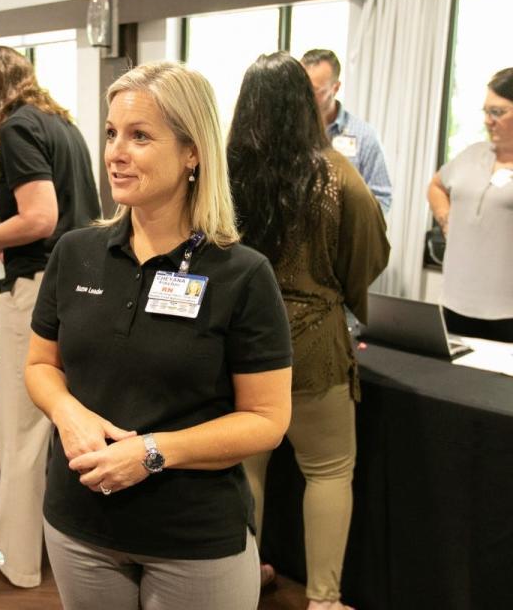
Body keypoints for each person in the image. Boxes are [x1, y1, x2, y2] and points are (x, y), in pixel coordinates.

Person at [25, 61, 293, 610]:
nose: (115, 153)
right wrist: (66, 412)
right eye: (111, 134)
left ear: (192, 152)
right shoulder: (76, 253)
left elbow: (267, 420)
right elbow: (40, 365)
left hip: (193, 541)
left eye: (140, 136)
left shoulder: (241, 274)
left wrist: (151, 453)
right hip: (80, 528)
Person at [228, 52, 390, 610]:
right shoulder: (337, 175)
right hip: (314, 344)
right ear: (306, 104)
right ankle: (324, 600)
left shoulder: (224, 176)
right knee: (328, 471)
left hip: (240, 343)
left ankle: (241, 580)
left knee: (244, 465)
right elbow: (367, 257)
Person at [0, 45, 101, 588]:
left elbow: (40, 218)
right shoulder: (64, 126)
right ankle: (60, 550)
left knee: (21, 426)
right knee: (60, 424)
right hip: (79, 288)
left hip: (37, 289)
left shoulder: (16, 129)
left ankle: (17, 560)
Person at [427, 67, 513, 343]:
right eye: (486, 112)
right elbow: (436, 186)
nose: (489, 121)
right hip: (455, 304)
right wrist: (446, 219)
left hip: (505, 314)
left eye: (498, 112)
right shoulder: (471, 154)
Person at [301, 48, 393, 213]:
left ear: (335, 88)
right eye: (302, 88)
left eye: (314, 90)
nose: (305, 96)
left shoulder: (364, 136)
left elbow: (382, 198)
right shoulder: (293, 132)